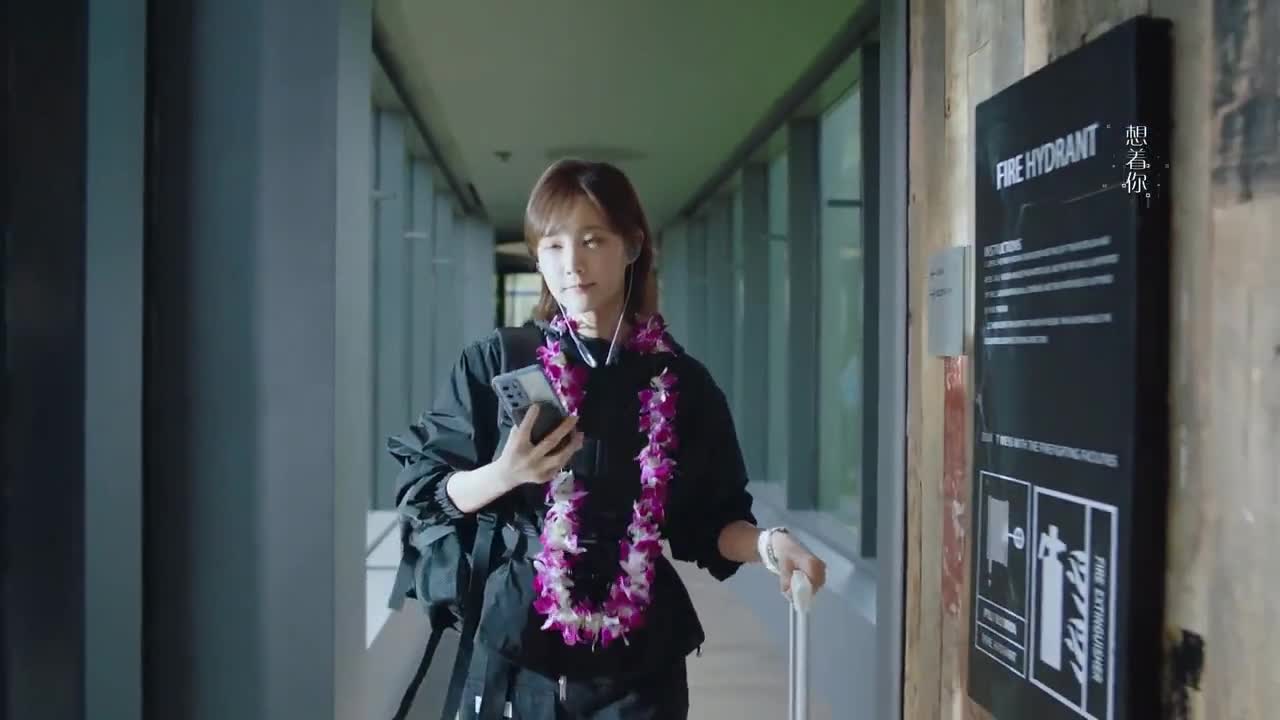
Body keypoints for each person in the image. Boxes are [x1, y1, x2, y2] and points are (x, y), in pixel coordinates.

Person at [390, 158, 827, 719]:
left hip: (639, 662)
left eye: (592, 240)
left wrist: (770, 546)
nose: (572, 264)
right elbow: (424, 493)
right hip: (516, 651)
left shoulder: (681, 383)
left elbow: (710, 521)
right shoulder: (496, 362)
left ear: (632, 246)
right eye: (553, 245)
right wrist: (505, 474)